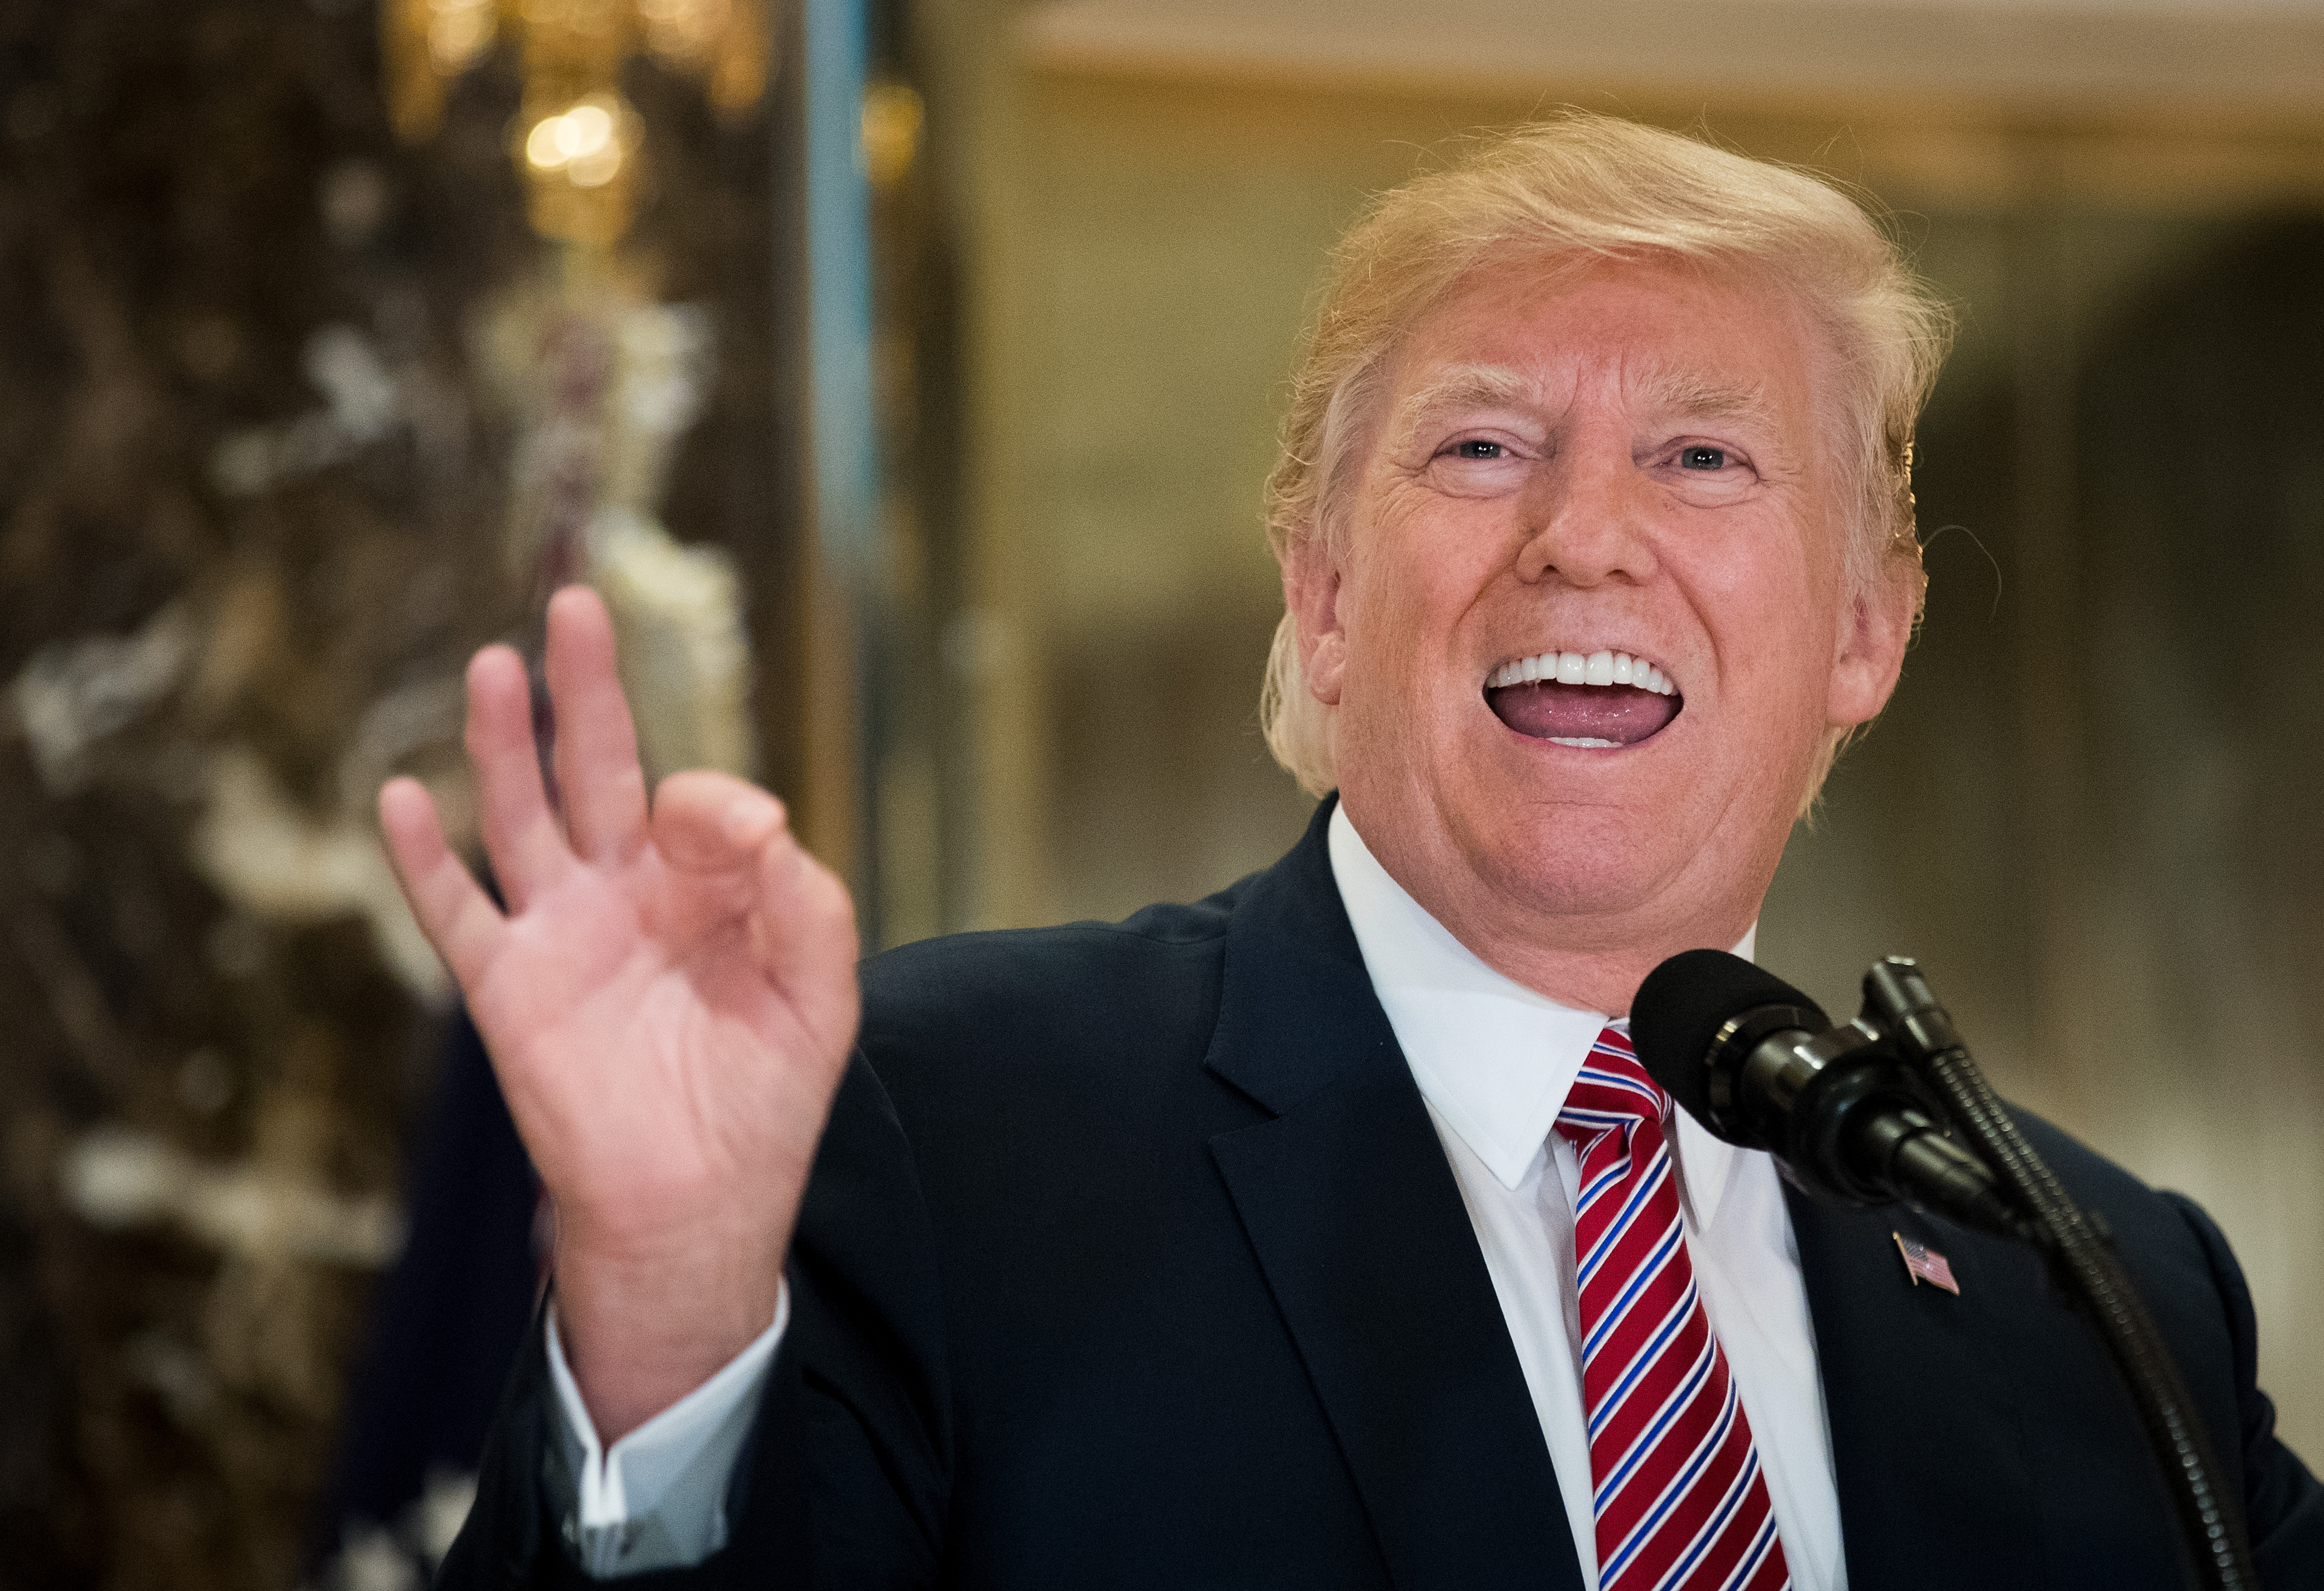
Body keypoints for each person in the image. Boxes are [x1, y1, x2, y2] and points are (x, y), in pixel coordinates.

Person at [379, 115, 2324, 1589]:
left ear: (1866, 633)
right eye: (1482, 448)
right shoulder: (934, 1127)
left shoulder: (2106, 1296)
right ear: (1320, 598)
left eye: (1706, 458)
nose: (1585, 536)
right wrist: (661, 1327)